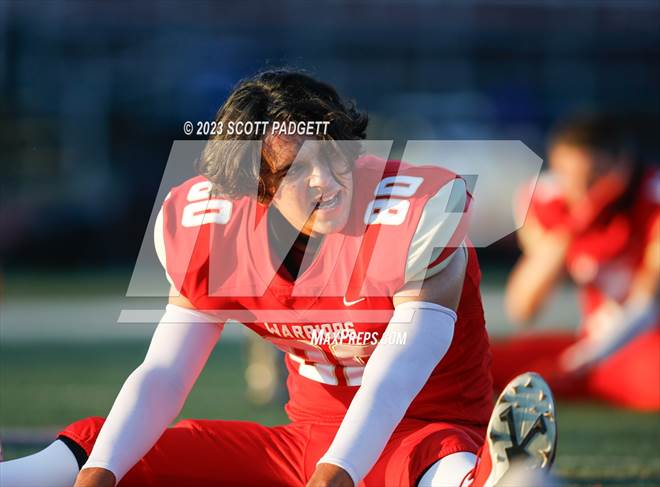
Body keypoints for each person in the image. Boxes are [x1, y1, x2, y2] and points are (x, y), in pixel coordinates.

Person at [0, 69, 557, 487]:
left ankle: (494, 478)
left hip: (423, 428)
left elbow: (399, 368)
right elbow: (165, 372)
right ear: (254, 183)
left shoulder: (416, 206)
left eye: (334, 156)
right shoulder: (210, 225)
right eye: (296, 170)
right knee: (112, 445)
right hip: (303, 440)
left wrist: (337, 474)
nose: (327, 181)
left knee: (430, 462)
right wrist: (100, 476)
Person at [492, 115, 659, 411]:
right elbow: (522, 307)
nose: (580, 189)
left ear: (621, 166)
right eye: (567, 175)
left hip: (642, 342)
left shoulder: (652, 198)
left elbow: (647, 305)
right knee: (478, 362)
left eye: (594, 176)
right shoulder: (548, 199)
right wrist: (574, 225)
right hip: (593, 341)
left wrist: (581, 361)